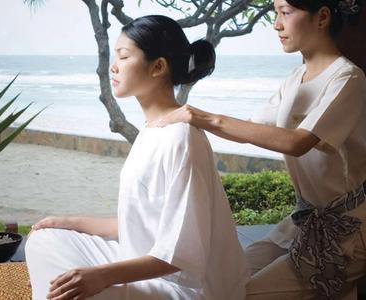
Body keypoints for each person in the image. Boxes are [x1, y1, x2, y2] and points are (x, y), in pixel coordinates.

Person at [25, 15, 249, 300]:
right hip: (140, 262)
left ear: (158, 67)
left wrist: (100, 276)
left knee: (80, 289)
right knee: (46, 240)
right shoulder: (152, 131)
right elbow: (137, 224)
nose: (113, 67)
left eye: (124, 56)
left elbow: (180, 256)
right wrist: (66, 221)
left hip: (181, 287)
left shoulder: (182, 138)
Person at [157, 0, 366, 299]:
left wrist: (200, 116)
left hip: (346, 233)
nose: (276, 24)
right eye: (274, 13)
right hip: (304, 224)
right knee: (223, 279)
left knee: (241, 295)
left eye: (285, 12)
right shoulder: (296, 78)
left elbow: (296, 142)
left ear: (321, 17)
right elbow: (251, 129)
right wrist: (187, 125)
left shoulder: (348, 78)